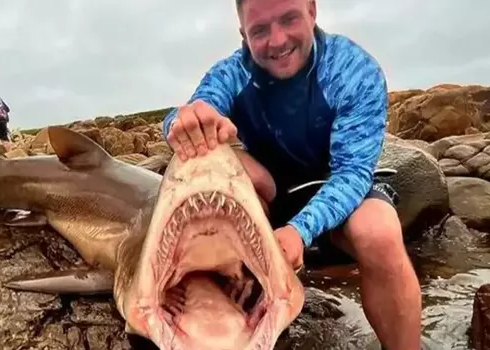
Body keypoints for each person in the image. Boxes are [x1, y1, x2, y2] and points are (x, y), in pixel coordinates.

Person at [162, 0, 422, 349]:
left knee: (378, 232)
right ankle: (230, 286)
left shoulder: (352, 69)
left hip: (337, 188)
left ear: (312, 11)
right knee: (210, 156)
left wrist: (301, 231)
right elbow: (195, 110)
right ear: (243, 34)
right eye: (260, 30)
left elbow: (353, 172)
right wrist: (183, 124)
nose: (277, 39)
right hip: (268, 196)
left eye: (289, 19)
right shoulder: (232, 73)